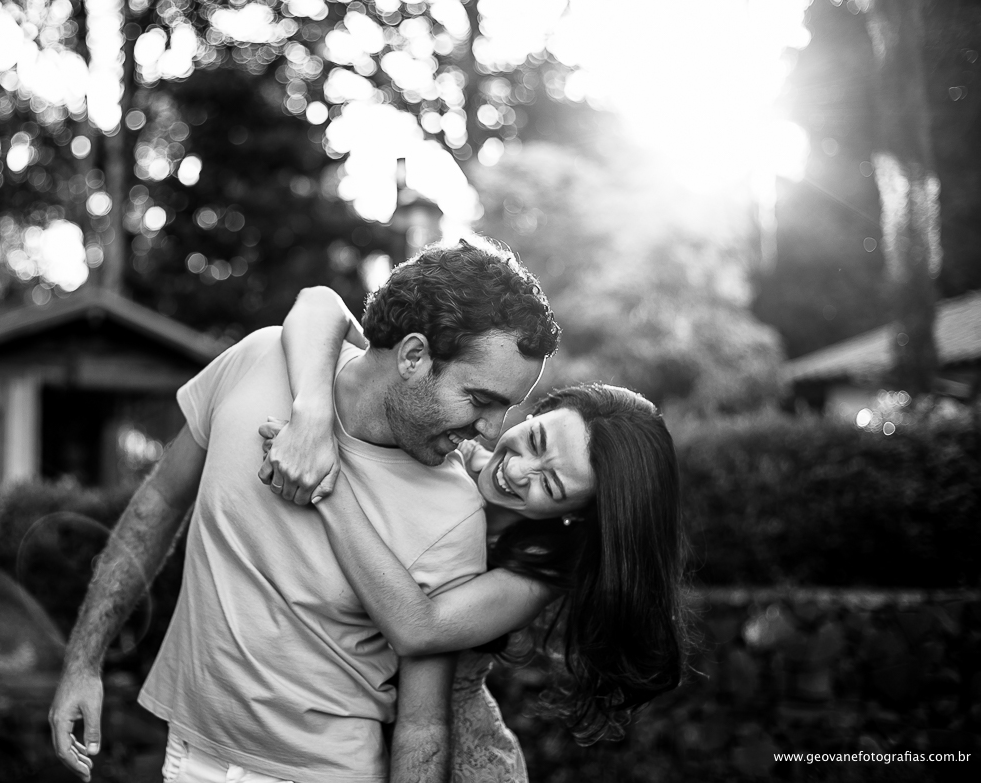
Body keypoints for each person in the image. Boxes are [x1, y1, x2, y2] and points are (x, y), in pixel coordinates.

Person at [49, 240, 560, 783]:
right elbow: (158, 502)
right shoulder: (259, 359)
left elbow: (422, 722)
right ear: (413, 356)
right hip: (188, 752)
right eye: (481, 399)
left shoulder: (455, 509)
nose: (492, 431)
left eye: (506, 409)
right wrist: (83, 661)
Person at [258, 286, 690, 782]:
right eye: (535, 438)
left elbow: (419, 629)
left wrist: (326, 485)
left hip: (455, 759)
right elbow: (320, 307)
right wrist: (311, 414)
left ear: (578, 514)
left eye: (549, 484)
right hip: (344, 728)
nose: (519, 469)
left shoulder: (538, 571)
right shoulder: (449, 445)